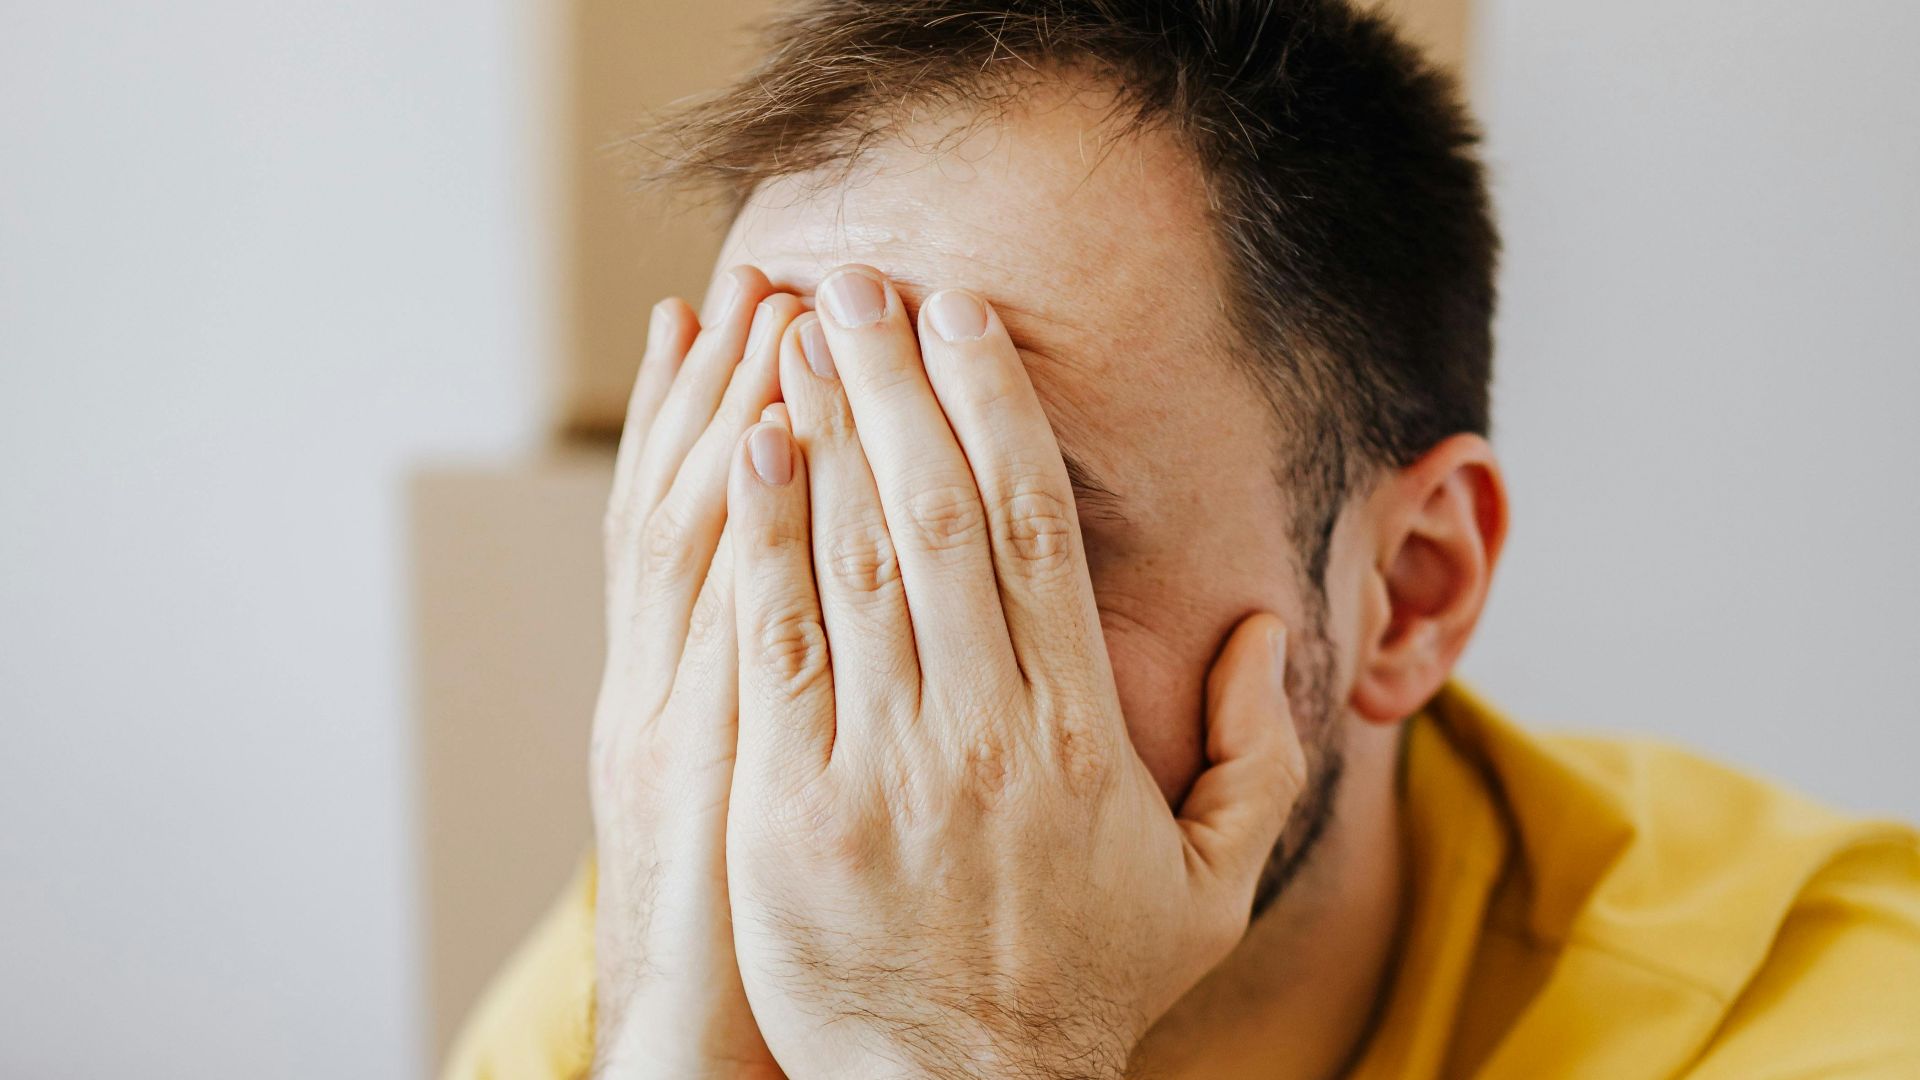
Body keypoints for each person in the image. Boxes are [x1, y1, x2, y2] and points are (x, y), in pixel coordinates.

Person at [445, 2, 1920, 1076]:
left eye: (1000, 541)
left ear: (1412, 591)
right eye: (770, 515)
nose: (837, 694)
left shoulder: (1839, 1017)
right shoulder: (657, 943)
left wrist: (952, 1053)